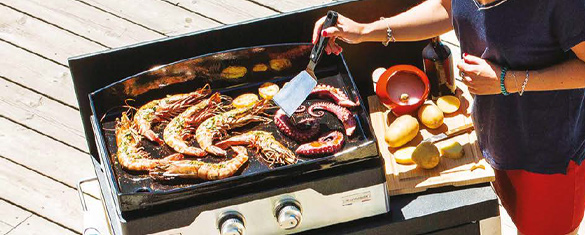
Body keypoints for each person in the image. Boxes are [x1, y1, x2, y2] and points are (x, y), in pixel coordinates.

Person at [312, 0, 585, 234]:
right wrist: (364, 31)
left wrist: (509, 81)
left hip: (550, 159)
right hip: (494, 137)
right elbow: (447, 7)